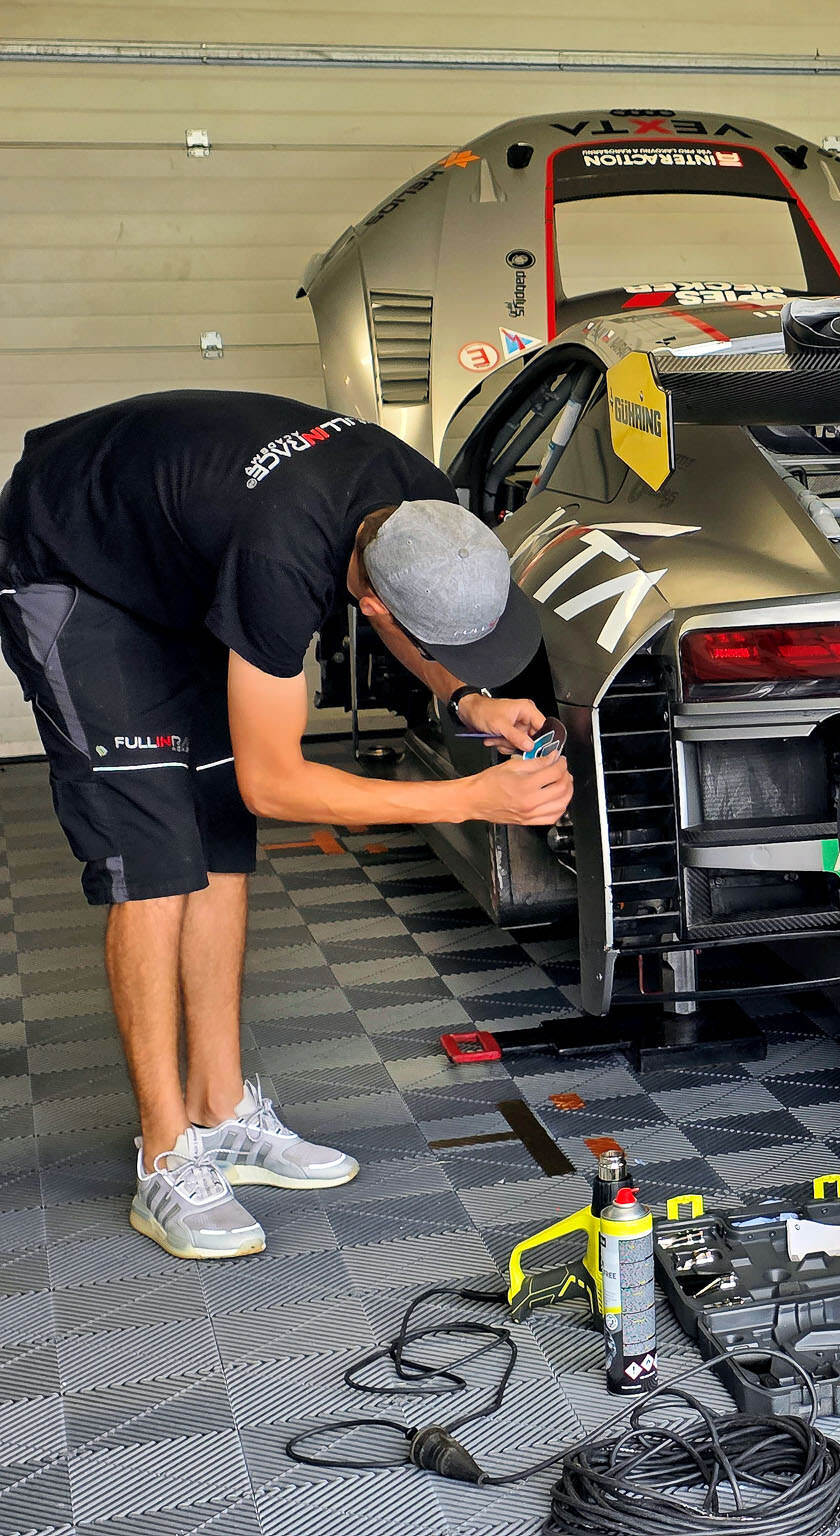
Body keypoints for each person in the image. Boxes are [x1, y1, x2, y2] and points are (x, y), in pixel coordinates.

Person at [0, 390, 574, 1256]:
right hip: (73, 560)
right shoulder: (281, 557)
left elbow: (403, 621)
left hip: (180, 558)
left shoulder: (420, 502)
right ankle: (166, 1155)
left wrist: (468, 698)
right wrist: (469, 799)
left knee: (219, 838)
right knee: (154, 857)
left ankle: (221, 1109)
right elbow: (275, 784)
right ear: (373, 606)